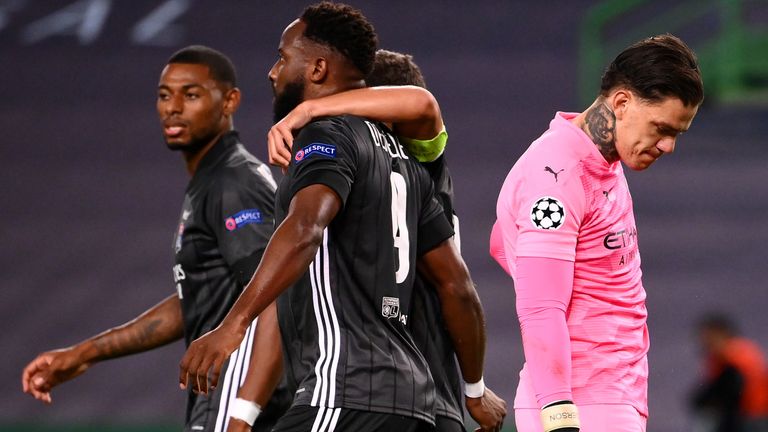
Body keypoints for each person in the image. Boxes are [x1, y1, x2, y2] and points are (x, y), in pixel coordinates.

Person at [178, 3, 506, 432]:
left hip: (345, 388)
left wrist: (233, 324)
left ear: (318, 69)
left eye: (282, 57)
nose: (273, 71)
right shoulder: (411, 166)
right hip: (425, 405)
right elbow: (457, 284)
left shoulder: (327, 134)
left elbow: (303, 232)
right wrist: (475, 390)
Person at [20, 45, 290, 432]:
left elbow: (275, 292)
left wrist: (243, 414)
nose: (173, 107)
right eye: (165, 95)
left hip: (236, 404)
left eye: (191, 94)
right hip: (223, 400)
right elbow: (197, 298)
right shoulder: (214, 180)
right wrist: (84, 354)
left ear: (230, 100)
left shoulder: (233, 181)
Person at [490, 34, 704, 432]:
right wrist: (558, 415)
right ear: (622, 103)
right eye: (662, 128)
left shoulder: (600, 162)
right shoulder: (557, 174)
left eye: (677, 133)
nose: (669, 146)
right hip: (581, 404)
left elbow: (501, 240)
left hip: (610, 394)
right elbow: (540, 306)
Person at [266, 48, 468, 431]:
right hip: (430, 396)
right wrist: (476, 386)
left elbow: (419, 102)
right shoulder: (413, 174)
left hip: (378, 382)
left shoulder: (418, 161)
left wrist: (308, 110)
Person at [690, 313, 768, 432]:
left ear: (721, 334)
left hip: (751, 418)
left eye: (709, 337)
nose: (705, 343)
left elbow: (730, 389)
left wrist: (704, 400)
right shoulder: (739, 353)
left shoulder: (735, 356)